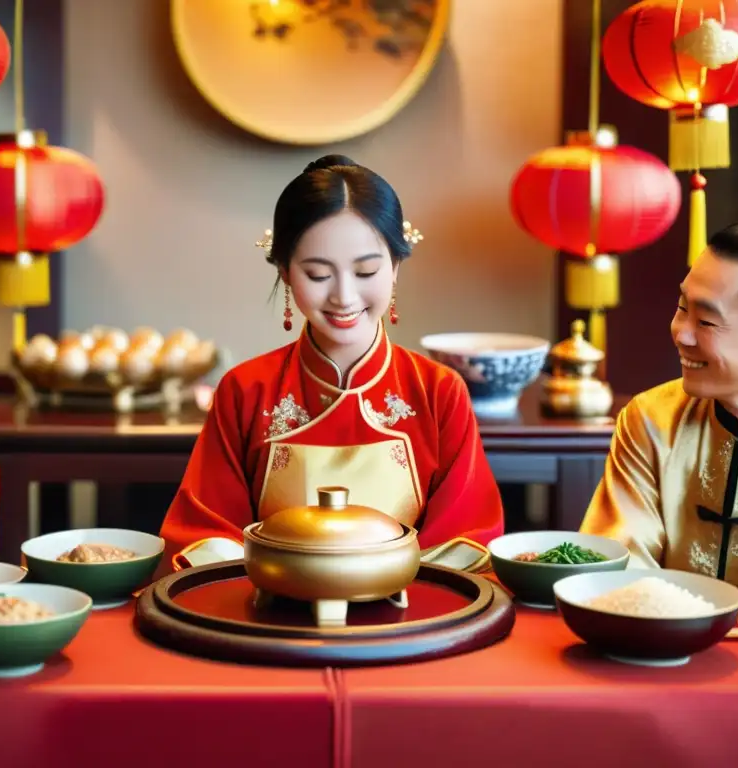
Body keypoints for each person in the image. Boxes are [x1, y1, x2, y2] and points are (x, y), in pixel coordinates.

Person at [158, 155, 504, 574]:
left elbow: (466, 540)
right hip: (271, 614)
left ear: (395, 267)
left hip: (407, 619)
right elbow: (206, 536)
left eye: (366, 271)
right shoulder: (245, 391)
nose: (343, 296)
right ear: (285, 271)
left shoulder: (437, 392)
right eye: (319, 275)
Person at [580, 221, 738, 599]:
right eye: (683, 307)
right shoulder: (650, 419)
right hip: (660, 647)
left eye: (706, 321)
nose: (680, 332)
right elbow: (617, 569)